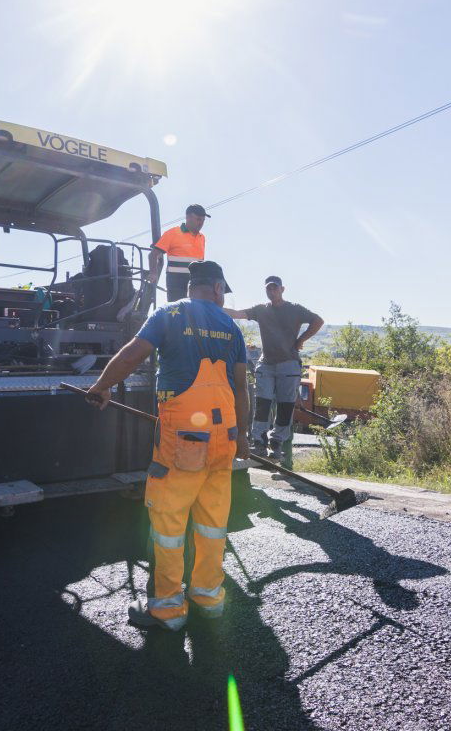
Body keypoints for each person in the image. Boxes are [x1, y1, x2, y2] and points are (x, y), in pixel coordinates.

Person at [86, 260, 250, 631]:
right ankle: (208, 598)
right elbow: (241, 388)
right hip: (225, 438)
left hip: (185, 442)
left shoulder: (169, 313)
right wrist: (243, 437)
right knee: (212, 522)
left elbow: (131, 355)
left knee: (169, 521)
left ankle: (167, 609)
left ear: (194, 287)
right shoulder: (230, 327)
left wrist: (101, 386)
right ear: (218, 289)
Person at [224, 276, 323, 466]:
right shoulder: (261, 310)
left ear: (282, 289)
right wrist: (212, 306)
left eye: (275, 288)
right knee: (262, 402)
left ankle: (276, 442)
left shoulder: (294, 309)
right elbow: (237, 313)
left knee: (285, 405)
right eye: (268, 289)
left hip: (289, 364)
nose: (272, 291)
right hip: (267, 364)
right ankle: (259, 441)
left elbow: (318, 321)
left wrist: (301, 340)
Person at [146, 204, 209, 302]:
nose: (201, 223)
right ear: (188, 217)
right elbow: (153, 255)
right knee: (178, 312)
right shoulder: (172, 233)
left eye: (203, 220)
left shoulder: (202, 238)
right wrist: (153, 273)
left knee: (196, 313)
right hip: (176, 284)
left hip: (195, 284)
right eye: (198, 219)